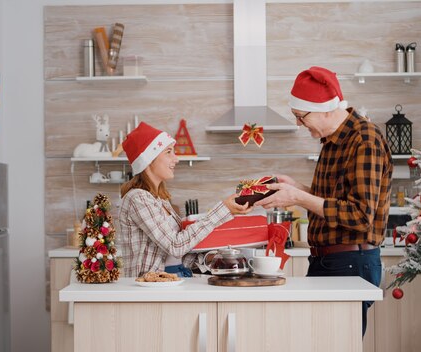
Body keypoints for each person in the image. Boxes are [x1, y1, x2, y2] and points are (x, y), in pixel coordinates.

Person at [255, 66, 393, 337]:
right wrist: (297, 188)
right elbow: (336, 201)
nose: (298, 124)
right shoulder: (333, 141)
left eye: (300, 116)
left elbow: (360, 214)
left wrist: (298, 197)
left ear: (326, 109)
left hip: (350, 261)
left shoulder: (364, 139)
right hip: (329, 261)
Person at [119, 122, 251, 277]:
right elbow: (175, 246)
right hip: (150, 287)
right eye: (168, 152)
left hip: (175, 279)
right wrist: (223, 210)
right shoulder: (138, 198)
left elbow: (177, 256)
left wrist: (209, 257)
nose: (176, 159)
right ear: (149, 160)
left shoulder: (161, 200)